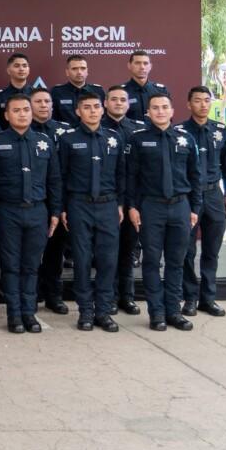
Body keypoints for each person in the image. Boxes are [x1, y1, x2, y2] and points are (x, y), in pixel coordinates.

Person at [0, 93, 61, 335]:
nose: (22, 114)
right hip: (7, 212)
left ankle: (29, 313)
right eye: (16, 110)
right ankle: (14, 315)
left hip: (37, 211)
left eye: (26, 109)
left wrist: (55, 211)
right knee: (10, 266)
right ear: (6, 115)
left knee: (31, 266)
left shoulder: (45, 142)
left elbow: (54, 180)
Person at [127, 94, 202, 331]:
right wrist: (132, 206)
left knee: (176, 262)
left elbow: (195, 176)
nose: (160, 111)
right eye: (155, 108)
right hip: (151, 206)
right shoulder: (138, 139)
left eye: (164, 107)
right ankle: (156, 313)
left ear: (172, 111)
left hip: (180, 206)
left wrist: (194, 208)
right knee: (150, 262)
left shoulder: (185, 138)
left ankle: (173, 312)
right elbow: (130, 177)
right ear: (148, 112)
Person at [58, 92, 124, 332]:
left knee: (107, 261)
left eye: (97, 106)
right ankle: (85, 311)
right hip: (79, 204)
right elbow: (61, 176)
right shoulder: (67, 140)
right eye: (87, 107)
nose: (93, 111)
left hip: (108, 205)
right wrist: (63, 207)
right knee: (82, 260)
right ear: (78, 111)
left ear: (103, 109)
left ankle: (104, 311)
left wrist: (120, 204)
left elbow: (121, 175)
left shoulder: (114, 138)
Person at [180, 86, 226, 318]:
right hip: (189, 197)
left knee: (212, 250)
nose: (203, 105)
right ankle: (190, 298)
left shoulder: (220, 130)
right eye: (198, 101)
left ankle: (208, 298)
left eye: (206, 100)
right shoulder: (180, 132)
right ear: (188, 104)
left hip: (214, 195)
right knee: (187, 251)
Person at [102, 85, 147, 316]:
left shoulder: (138, 130)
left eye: (123, 99)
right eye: (114, 99)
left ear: (128, 104)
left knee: (128, 251)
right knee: (108, 253)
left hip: (133, 200)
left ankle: (127, 297)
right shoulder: (98, 128)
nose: (118, 103)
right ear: (105, 103)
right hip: (108, 200)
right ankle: (108, 297)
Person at [29, 87, 73, 314]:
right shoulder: (22, 131)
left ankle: (54, 296)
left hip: (58, 200)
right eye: (38, 102)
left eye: (47, 101)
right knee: (32, 252)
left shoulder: (65, 132)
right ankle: (32, 294)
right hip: (32, 199)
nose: (43, 105)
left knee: (56, 252)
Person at [51, 55, 105, 127]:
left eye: (83, 68)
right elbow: (52, 119)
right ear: (67, 72)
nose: (79, 72)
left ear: (87, 71)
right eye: (74, 69)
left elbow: (104, 118)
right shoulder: (57, 92)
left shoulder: (98, 91)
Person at [123, 50, 169, 121]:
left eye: (145, 63)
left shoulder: (160, 90)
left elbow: (167, 117)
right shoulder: (121, 91)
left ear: (150, 66)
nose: (142, 67)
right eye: (137, 63)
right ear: (129, 65)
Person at [0, 53, 34, 129]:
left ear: (29, 70)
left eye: (25, 66)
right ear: (8, 70)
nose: (21, 69)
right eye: (17, 66)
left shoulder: (36, 94)